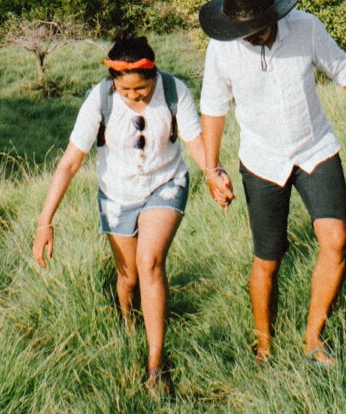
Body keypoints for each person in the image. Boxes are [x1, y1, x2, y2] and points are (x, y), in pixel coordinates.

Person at [196, 0, 346, 366]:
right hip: (262, 161)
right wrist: (211, 168)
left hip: (315, 149)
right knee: (268, 259)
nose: (249, 36)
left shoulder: (305, 28)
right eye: (242, 30)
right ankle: (264, 348)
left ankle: (313, 338)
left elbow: (343, 69)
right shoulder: (222, 48)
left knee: (336, 241)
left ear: (273, 15)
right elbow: (214, 108)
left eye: (256, 27)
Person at [30, 33, 230, 395]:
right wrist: (46, 222)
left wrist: (213, 174)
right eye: (126, 92)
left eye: (141, 91)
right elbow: (70, 163)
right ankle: (128, 323)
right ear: (114, 84)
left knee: (150, 262)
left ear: (154, 77)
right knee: (128, 277)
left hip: (165, 183)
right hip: (116, 193)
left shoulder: (174, 91)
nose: (134, 98)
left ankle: (156, 365)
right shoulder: (99, 99)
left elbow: (195, 142)